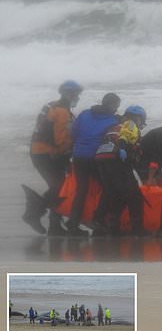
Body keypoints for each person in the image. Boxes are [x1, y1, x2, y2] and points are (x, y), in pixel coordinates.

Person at [23, 80, 83, 235]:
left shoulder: (51, 105)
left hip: (39, 151)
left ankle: (53, 224)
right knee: (59, 187)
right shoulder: (63, 112)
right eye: (76, 94)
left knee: (58, 187)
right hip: (47, 154)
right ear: (68, 93)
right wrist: (73, 151)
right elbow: (61, 140)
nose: (77, 97)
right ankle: (35, 214)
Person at [66, 93, 121, 236]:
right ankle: (99, 219)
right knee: (108, 188)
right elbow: (111, 141)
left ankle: (73, 223)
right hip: (95, 158)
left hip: (78, 156)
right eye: (116, 106)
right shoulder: (113, 121)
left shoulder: (84, 114)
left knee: (81, 190)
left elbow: (73, 133)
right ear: (112, 105)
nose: (116, 109)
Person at [94, 105, 148, 236]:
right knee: (134, 196)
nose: (141, 124)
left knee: (113, 193)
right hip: (116, 160)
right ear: (137, 117)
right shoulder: (131, 125)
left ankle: (108, 225)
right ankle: (137, 229)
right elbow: (125, 141)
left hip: (101, 159)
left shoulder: (113, 127)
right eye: (141, 120)